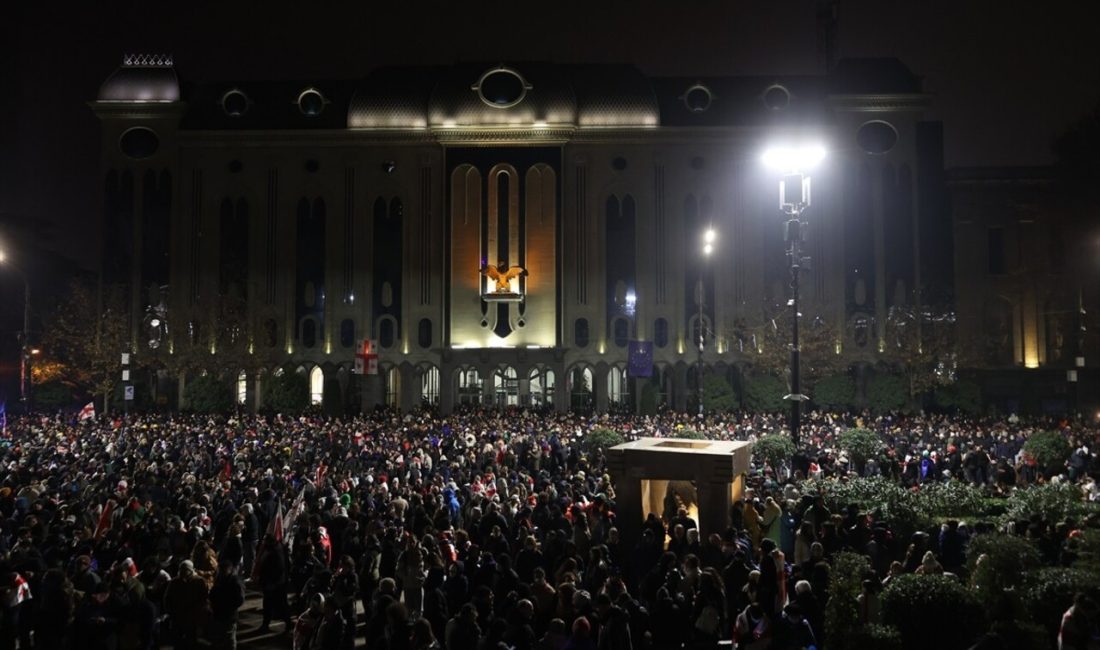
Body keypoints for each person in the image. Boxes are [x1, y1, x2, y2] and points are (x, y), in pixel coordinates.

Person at [209, 561, 246, 650]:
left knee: (229, 637)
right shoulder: (219, 579)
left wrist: (229, 606)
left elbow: (240, 599)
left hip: (229, 614)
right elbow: (213, 593)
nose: (221, 572)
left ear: (230, 570)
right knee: (219, 636)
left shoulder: (235, 581)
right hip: (218, 613)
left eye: (223, 570)